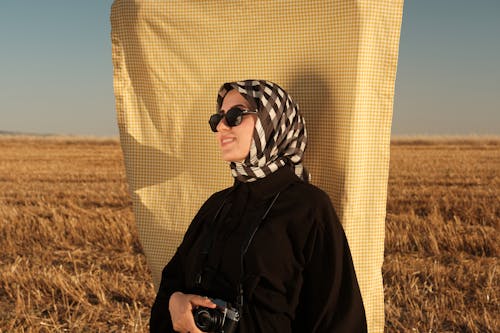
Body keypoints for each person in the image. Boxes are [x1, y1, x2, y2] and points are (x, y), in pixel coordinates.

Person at [150, 80, 367, 333]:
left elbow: (337, 318)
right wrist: (175, 302)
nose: (220, 126)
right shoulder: (215, 206)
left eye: (234, 116)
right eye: (216, 119)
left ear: (272, 122)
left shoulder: (308, 209)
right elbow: (171, 283)